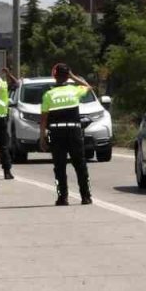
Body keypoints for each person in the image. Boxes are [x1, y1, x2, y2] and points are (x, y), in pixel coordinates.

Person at [39, 63, 93, 206]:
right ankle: (86, 197)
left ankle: (63, 197)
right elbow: (88, 86)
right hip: (74, 132)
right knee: (80, 165)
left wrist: (42, 137)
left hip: (56, 133)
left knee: (59, 167)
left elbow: (43, 118)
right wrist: (74, 76)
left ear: (54, 76)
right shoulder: (74, 90)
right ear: (67, 76)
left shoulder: (48, 94)